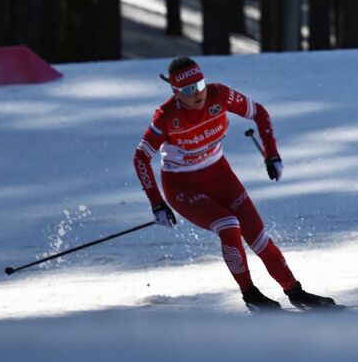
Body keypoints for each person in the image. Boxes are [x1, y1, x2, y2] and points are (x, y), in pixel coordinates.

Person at [133, 56, 336, 312]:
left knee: (258, 236)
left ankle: (295, 291)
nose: (197, 93)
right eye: (187, 90)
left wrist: (271, 153)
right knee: (229, 226)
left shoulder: (220, 95)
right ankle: (251, 295)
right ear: (175, 93)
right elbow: (141, 156)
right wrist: (157, 203)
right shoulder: (166, 117)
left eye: (200, 84)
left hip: (220, 174)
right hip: (182, 186)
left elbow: (259, 113)